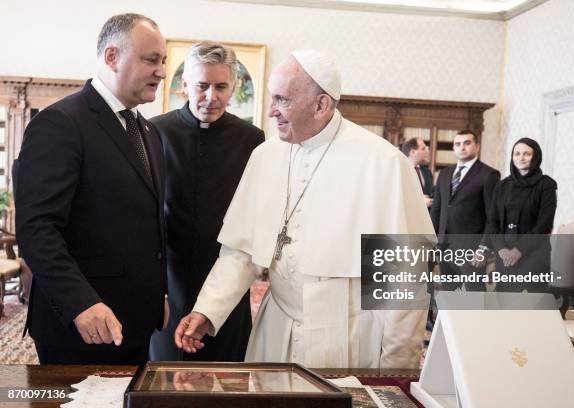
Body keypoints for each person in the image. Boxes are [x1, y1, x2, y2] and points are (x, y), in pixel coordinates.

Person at [174, 50, 434, 368]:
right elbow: (240, 251)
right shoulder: (265, 156)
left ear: (321, 104)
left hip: (348, 335)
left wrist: (397, 368)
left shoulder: (384, 163)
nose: (271, 112)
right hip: (276, 327)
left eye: (282, 100)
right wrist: (208, 310)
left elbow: (404, 278)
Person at [14, 13, 167, 365]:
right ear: (112, 57)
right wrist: (80, 301)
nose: (161, 71)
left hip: (138, 323)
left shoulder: (149, 132)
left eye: (163, 62)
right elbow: (38, 228)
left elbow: (145, 224)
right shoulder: (60, 123)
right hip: (81, 326)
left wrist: (156, 292)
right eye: (151, 60)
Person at [149, 41, 264, 361]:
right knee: (164, 373)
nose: (211, 96)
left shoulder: (252, 139)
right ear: (184, 84)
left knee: (225, 375)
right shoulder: (155, 131)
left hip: (226, 269)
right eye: (201, 85)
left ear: (234, 87)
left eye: (221, 86)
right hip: (170, 276)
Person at [481, 138, 557, 292]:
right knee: (503, 305)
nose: (521, 158)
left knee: (528, 308)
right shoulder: (502, 185)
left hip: (533, 254)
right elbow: (492, 222)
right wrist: (501, 249)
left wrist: (518, 250)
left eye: (527, 154)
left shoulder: (546, 185)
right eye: (517, 154)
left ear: (536, 157)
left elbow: (544, 225)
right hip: (504, 256)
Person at [430, 130, 500, 291]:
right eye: (458, 144)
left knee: (474, 294)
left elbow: (493, 217)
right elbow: (437, 210)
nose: (462, 147)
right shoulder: (445, 173)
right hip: (444, 245)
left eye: (467, 143)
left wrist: (483, 249)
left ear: (477, 146)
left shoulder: (489, 175)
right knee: (448, 294)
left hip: (472, 249)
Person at [401, 137, 434, 208]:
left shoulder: (427, 172)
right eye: (423, 149)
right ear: (413, 152)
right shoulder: (400, 171)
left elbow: (431, 193)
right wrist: (419, 201)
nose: (427, 151)